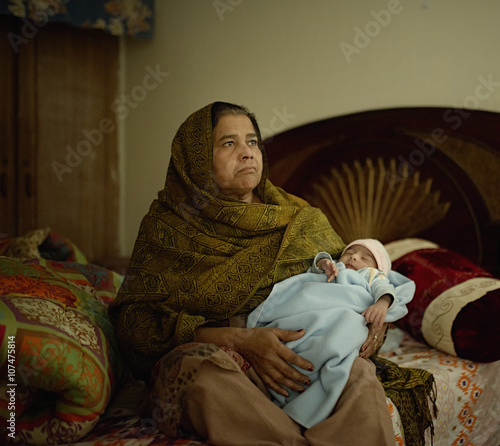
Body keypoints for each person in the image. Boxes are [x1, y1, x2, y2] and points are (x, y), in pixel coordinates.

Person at [108, 102, 434, 446]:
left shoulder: (301, 220)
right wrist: (241, 341)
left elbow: (354, 288)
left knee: (359, 376)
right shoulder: (167, 228)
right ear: (196, 158)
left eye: (252, 142)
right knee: (198, 374)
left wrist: (371, 330)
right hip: (224, 358)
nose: (247, 153)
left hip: (307, 357)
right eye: (229, 143)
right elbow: (135, 325)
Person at [247, 238, 415, 428]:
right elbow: (317, 267)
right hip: (313, 312)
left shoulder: (371, 275)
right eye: (350, 252)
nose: (354, 257)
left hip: (347, 316)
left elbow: (384, 288)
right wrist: (324, 263)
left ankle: (304, 393)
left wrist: (381, 304)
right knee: (299, 335)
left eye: (365, 257)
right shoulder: (335, 268)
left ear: (377, 268)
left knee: (339, 339)